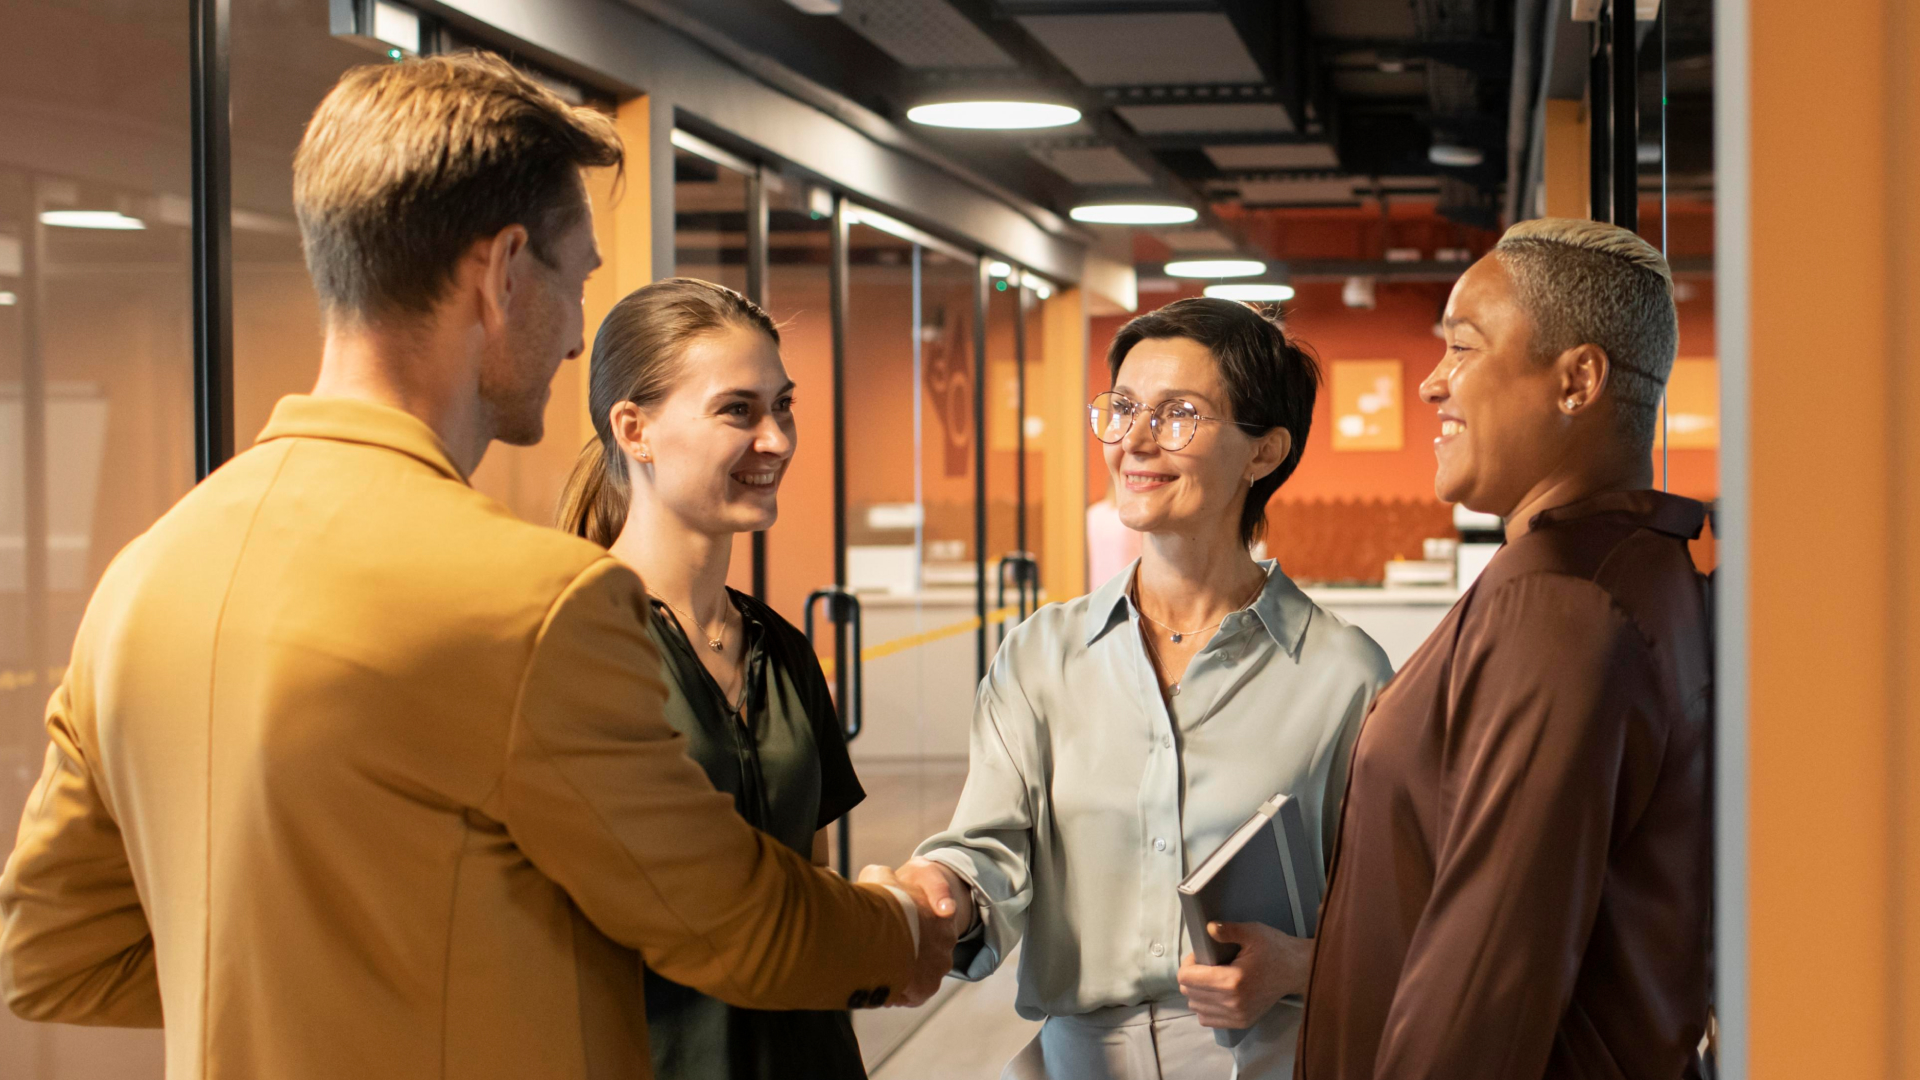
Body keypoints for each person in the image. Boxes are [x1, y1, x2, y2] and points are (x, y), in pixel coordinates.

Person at [0, 53, 953, 1080]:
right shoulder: (533, 602)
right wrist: (903, 929)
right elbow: (730, 922)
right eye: (578, 275)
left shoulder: (145, 577)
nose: (581, 332)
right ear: (502, 273)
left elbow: (54, 957)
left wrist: (362, 979)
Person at [892, 298, 1394, 1080]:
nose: (1133, 438)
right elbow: (988, 852)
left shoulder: (1345, 676)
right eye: (1122, 407)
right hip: (1077, 1059)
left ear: (1263, 453)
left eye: (1179, 414)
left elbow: (1395, 909)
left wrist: (1298, 963)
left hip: (1268, 1059)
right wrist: (940, 889)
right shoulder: (1040, 656)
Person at [1296, 218, 1712, 1079]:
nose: (1431, 386)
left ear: (1577, 381)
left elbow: (1488, 979)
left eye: (1463, 347)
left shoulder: (1559, 604)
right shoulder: (1630, 567)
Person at [555, 278, 873, 1080]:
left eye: (783, 407)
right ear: (636, 430)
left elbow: (811, 882)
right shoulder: (573, 643)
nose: (778, 440)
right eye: (739, 411)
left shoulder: (784, 651)